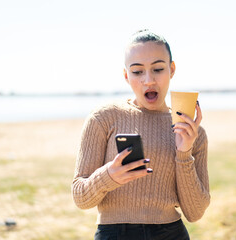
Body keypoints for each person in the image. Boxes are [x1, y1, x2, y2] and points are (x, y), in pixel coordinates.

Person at [71, 29, 210, 240]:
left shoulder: (191, 131)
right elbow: (80, 198)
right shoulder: (103, 118)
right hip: (114, 234)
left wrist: (184, 152)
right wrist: (109, 176)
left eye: (158, 69)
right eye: (137, 72)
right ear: (126, 75)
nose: (149, 80)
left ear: (171, 69)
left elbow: (195, 212)